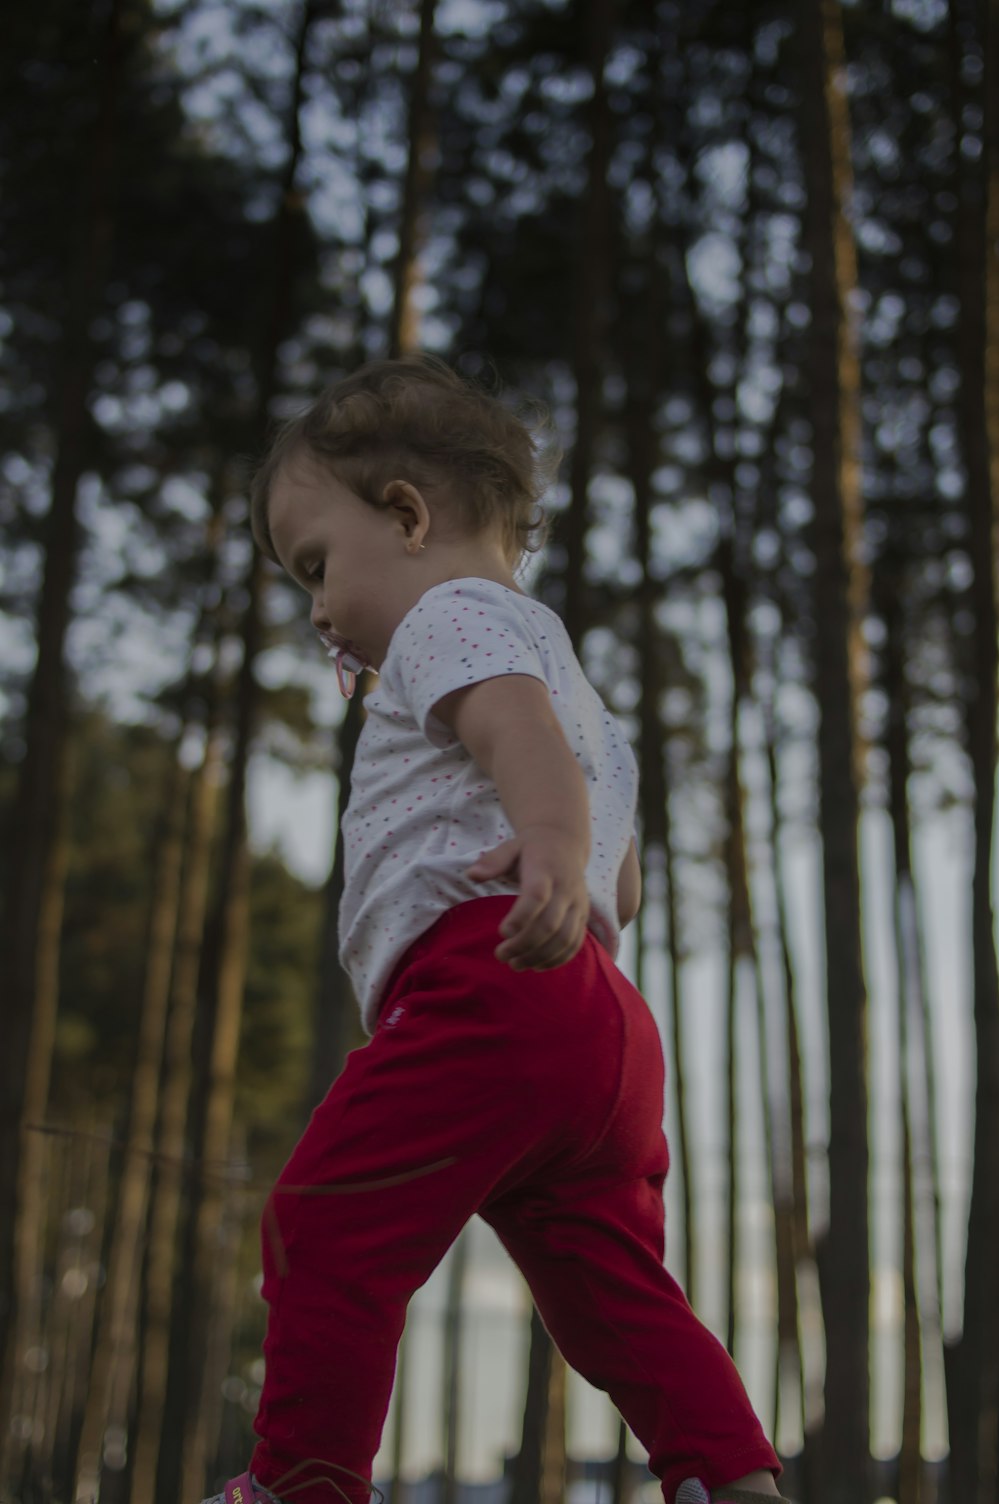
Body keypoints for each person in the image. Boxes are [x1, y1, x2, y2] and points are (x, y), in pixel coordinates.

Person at [204, 355, 792, 1504]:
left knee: (322, 1222)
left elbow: (519, 745)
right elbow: (618, 882)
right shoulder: (575, 682)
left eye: (318, 567)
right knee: (616, 1295)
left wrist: (546, 845)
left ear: (408, 516)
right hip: (600, 1027)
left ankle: (300, 1482)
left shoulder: (448, 619)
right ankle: (730, 1476)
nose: (320, 610)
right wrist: (569, 859)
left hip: (489, 986)